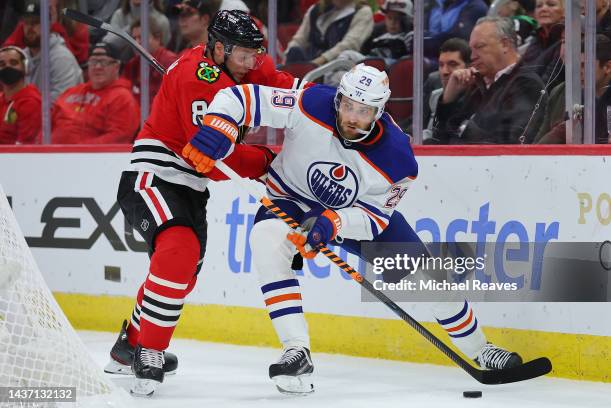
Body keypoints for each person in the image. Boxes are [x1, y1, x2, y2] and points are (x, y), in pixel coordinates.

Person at [185, 63, 524, 395]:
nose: (352, 117)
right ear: (339, 99)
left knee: (429, 282)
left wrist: (335, 222)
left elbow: (375, 217)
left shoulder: (398, 159)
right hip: (292, 197)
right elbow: (242, 98)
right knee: (265, 241)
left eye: (363, 111)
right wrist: (220, 126)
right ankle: (296, 351)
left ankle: (480, 349)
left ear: (378, 111)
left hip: (356, 215)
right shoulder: (311, 101)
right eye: (347, 105)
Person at [105, 10, 309, 396]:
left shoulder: (245, 64)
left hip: (191, 189)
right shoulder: (194, 76)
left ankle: (129, 344)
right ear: (218, 48)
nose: (252, 63)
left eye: (255, 54)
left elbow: (291, 93)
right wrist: (267, 161)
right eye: (244, 55)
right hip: (155, 176)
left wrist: (338, 104)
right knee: (179, 251)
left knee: (184, 274)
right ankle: (149, 350)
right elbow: (215, 163)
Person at [430, 16, 547, 144]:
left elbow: (509, 145)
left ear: (505, 45)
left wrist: (462, 129)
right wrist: (448, 99)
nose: (472, 57)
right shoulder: (477, 84)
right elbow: (439, 138)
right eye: (471, 49)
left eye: (479, 47)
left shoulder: (527, 85)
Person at [51, 42, 140, 144]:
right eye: (93, 62)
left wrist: (78, 150)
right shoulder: (71, 92)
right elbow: (47, 125)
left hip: (91, 158)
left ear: (116, 67)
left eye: (103, 62)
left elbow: (118, 137)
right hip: (50, 155)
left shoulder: (122, 98)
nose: (97, 67)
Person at [535, 34, 611, 144]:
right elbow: (543, 143)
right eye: (576, 65)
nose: (578, 72)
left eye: (584, 66)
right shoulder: (569, 95)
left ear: (608, 67)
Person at [22, 0, 82, 102]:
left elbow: (62, 102)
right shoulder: (22, 55)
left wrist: (26, 107)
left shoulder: (61, 58)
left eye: (35, 23)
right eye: (26, 23)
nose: (29, 28)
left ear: (49, 25)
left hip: (62, 116)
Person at [285, 0, 374, 66]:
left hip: (338, 68)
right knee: (294, 51)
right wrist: (288, 56)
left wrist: (316, 63)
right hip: (308, 63)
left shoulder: (363, 12)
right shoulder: (315, 9)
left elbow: (349, 44)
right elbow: (299, 39)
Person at [3, 0, 90, 65]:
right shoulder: (27, 22)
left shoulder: (78, 26)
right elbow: (7, 50)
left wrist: (53, 26)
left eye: (36, 22)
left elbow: (70, 61)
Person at [423, 38, 470, 142]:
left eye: (452, 64)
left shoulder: (475, 99)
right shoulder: (435, 92)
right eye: (441, 65)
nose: (444, 71)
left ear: (469, 67)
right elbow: (416, 124)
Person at [123, 18, 178, 104]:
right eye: (134, 38)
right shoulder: (132, 64)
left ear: (157, 38)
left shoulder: (170, 62)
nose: (137, 42)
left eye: (141, 37)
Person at [0, 45, 41, 144]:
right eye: (2, 64)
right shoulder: (2, 99)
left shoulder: (31, 102)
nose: (7, 67)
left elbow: (24, 146)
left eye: (13, 63)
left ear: (25, 68)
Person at [423, 0, 488, 60]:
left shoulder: (476, 7)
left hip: (460, 59)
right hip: (436, 54)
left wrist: (423, 42)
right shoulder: (440, 3)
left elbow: (457, 39)